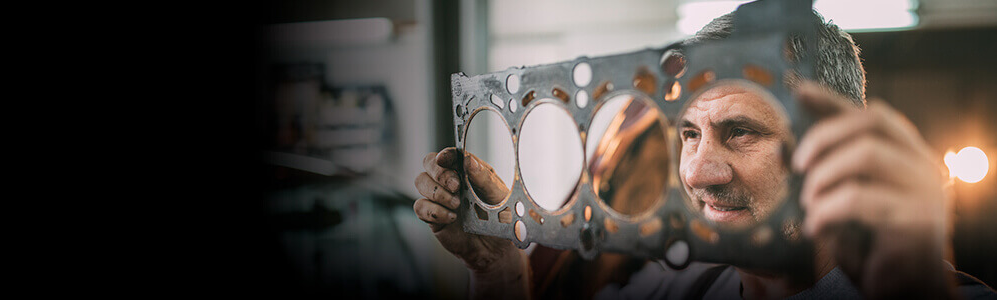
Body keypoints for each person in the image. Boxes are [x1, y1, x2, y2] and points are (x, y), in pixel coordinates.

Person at [413, 12, 997, 300]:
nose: (697, 172)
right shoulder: (681, 286)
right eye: (689, 134)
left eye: (740, 132)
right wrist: (497, 273)